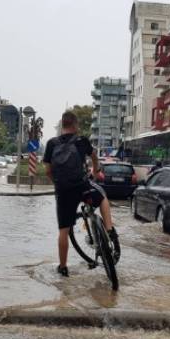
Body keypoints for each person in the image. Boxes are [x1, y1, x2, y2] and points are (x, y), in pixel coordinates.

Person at [43, 111, 116, 277]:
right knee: (102, 197)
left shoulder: (51, 143)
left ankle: (63, 267)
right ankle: (110, 230)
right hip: (82, 186)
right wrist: (95, 171)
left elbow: (47, 170)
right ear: (75, 125)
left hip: (63, 191)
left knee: (63, 231)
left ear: (63, 125)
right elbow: (94, 157)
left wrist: (57, 183)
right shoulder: (81, 141)